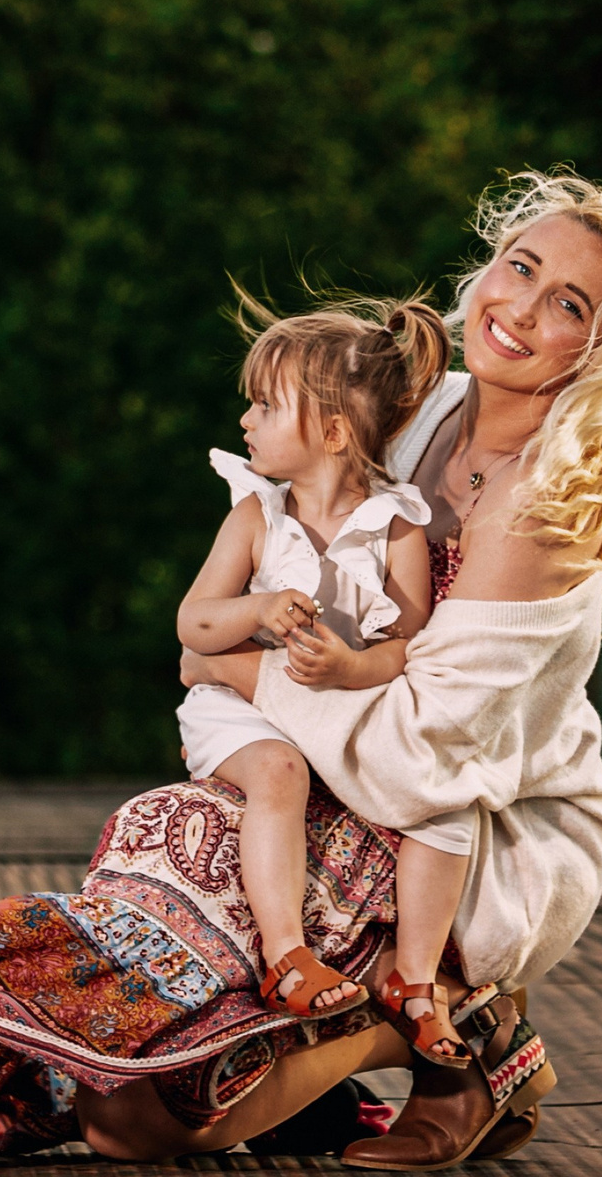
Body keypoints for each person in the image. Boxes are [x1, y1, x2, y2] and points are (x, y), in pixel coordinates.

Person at [0, 171, 602, 1170]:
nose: (517, 307)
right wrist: (239, 637)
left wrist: (241, 673)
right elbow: (277, 551)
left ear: (599, 351)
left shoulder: (541, 504)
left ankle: (466, 1024)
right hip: (338, 776)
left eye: (567, 305)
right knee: (172, 876)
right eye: (520, 267)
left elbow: (428, 757)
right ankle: (294, 1056)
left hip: (473, 829)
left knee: (145, 1128)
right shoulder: (421, 409)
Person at [173, 297, 479, 1064]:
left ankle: (415, 982)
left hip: (338, 704)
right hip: (244, 711)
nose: (245, 418)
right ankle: (287, 956)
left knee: (447, 801)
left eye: (266, 404)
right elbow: (194, 627)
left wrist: (351, 666)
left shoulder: (397, 526)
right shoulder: (256, 515)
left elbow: (404, 645)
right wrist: (259, 605)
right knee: (277, 773)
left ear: (334, 432)